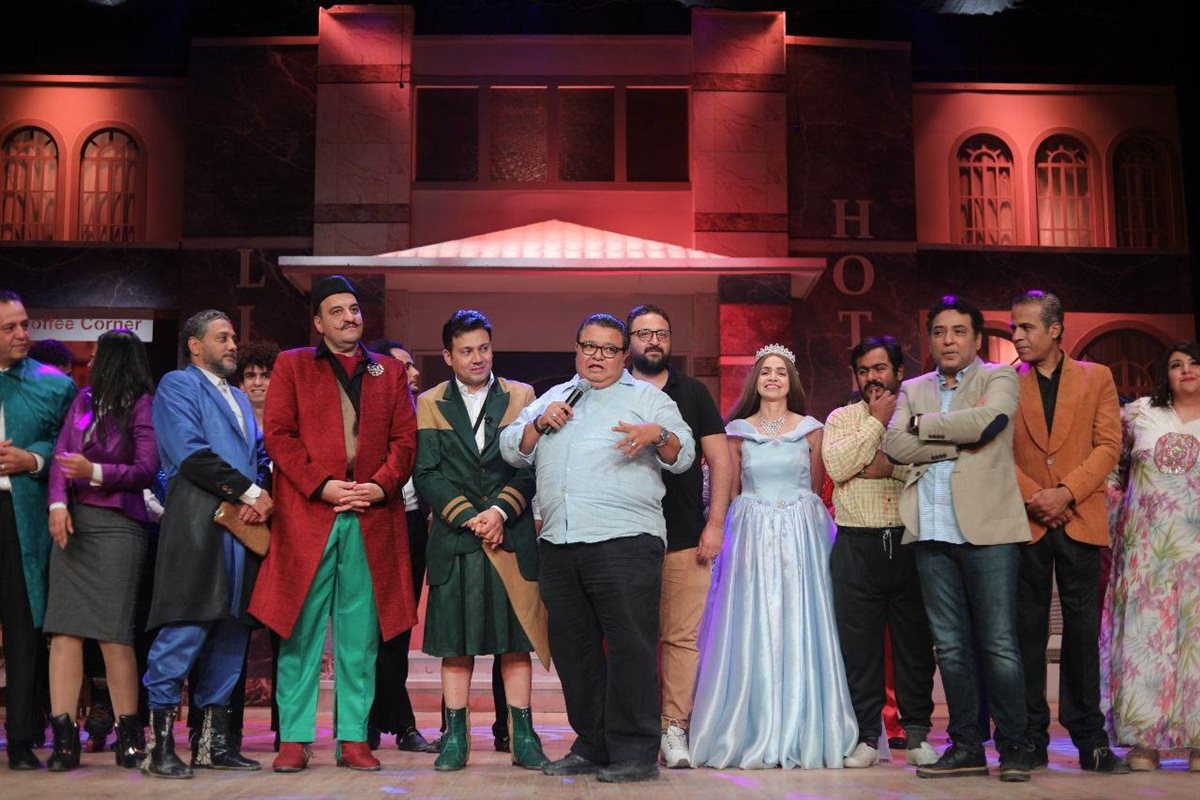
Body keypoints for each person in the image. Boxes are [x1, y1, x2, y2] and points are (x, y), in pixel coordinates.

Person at [500, 313, 694, 783]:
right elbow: (510, 447)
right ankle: (592, 744)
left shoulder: (647, 398)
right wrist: (539, 424)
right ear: (577, 348)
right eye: (589, 346)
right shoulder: (554, 397)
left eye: (609, 349)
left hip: (625, 540)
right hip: (561, 541)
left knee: (630, 647)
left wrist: (656, 434)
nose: (597, 356)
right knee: (575, 650)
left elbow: (684, 454)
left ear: (623, 355)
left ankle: (635, 751)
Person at [249, 275, 418, 774]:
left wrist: (380, 486)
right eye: (338, 311)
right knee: (299, 628)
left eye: (354, 309)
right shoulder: (293, 365)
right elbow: (279, 435)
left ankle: (353, 738)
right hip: (311, 512)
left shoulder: (387, 370)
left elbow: (405, 441)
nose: (350, 317)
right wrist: (320, 484)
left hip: (369, 514)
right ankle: (295, 738)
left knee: (359, 634)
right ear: (319, 322)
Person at [883, 295, 1033, 782]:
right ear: (929, 340)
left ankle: (1015, 747)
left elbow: (988, 423)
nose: (948, 341)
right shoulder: (913, 387)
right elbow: (894, 444)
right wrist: (952, 444)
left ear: (976, 338)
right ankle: (966, 746)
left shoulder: (999, 377)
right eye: (939, 332)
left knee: (999, 644)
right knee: (949, 648)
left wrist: (924, 427)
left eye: (959, 331)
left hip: (989, 530)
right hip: (930, 530)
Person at [689, 344, 857, 769]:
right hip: (751, 532)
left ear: (791, 380)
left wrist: (795, 516)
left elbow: (816, 486)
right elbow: (730, 490)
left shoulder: (812, 430)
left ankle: (806, 726)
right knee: (750, 619)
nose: (773, 378)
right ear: (756, 380)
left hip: (802, 533)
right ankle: (746, 727)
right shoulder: (737, 431)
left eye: (781, 372)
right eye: (766, 371)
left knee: (802, 618)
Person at [415, 310, 548, 771]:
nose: (477, 358)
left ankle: (523, 736)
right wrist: (470, 517)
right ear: (448, 355)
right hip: (456, 538)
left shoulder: (521, 395)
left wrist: (498, 512)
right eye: (467, 350)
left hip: (508, 534)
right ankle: (455, 738)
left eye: (484, 348)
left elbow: (530, 466)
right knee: (456, 646)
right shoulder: (430, 401)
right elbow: (426, 472)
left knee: (515, 643)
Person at [142, 309, 271, 779]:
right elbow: (190, 453)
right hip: (197, 524)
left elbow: (259, 455)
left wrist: (261, 492)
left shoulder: (238, 397)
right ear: (195, 346)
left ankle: (212, 745)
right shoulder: (179, 385)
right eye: (222, 337)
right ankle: (159, 746)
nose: (233, 345)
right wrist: (250, 492)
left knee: (231, 630)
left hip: (241, 529)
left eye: (233, 337)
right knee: (186, 626)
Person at [1009, 290, 1127, 773]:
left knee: (1081, 633)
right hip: (1027, 518)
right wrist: (1037, 496)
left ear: (1055, 329)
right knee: (1026, 633)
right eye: (1014, 327)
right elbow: (995, 451)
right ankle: (1029, 738)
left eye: (1027, 327)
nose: (1018, 336)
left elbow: (1108, 445)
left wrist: (1066, 493)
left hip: (1079, 516)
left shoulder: (1096, 377)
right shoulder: (1005, 382)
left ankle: (1090, 740)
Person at [41, 330, 158, 772]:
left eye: (96, 355)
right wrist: (57, 504)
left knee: (114, 634)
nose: (89, 362)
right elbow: (60, 458)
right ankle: (63, 740)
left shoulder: (142, 405)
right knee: (64, 632)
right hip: (75, 527)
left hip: (119, 527)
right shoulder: (83, 400)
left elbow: (146, 468)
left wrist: (94, 471)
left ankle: (129, 737)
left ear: (114, 360)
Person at [624, 303, 731, 769]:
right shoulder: (612, 391)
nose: (654, 341)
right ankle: (633, 730)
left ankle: (673, 729)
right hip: (625, 538)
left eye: (662, 333)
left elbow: (721, 460)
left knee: (681, 639)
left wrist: (716, 524)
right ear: (628, 341)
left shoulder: (693, 392)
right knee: (630, 640)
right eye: (644, 333)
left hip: (686, 535)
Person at [823, 336, 938, 769]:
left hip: (910, 543)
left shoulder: (920, 415)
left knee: (915, 647)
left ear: (899, 371)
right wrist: (876, 421)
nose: (872, 377)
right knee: (859, 650)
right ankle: (867, 737)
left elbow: (931, 467)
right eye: (864, 370)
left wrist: (886, 466)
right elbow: (838, 467)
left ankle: (918, 734)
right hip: (856, 546)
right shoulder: (842, 418)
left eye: (880, 368)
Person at [1103, 341, 1200, 773]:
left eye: (1195, 363)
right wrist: (1118, 519)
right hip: (1147, 551)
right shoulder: (1140, 414)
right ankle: (1144, 740)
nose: (1186, 370)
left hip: (1197, 552)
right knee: (1145, 642)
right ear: (1166, 374)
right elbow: (1110, 467)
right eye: (1176, 364)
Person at [0, 290, 77, 770]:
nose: (22, 334)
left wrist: (32, 458)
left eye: (24, 324)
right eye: (9, 327)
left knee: (24, 625)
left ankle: (23, 737)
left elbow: (67, 441)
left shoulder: (54, 385)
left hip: (21, 514)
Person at [364, 339, 436, 754]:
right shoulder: (368, 410)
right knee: (372, 627)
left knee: (400, 625)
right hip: (375, 519)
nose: (413, 373)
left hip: (411, 523)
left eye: (411, 366)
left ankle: (393, 723)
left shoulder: (422, 411)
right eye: (404, 366)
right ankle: (377, 722)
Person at [236, 340, 279, 430]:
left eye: (266, 376)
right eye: (250, 376)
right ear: (241, 384)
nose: (257, 383)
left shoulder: (289, 423)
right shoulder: (232, 422)